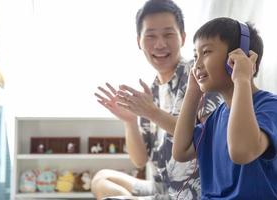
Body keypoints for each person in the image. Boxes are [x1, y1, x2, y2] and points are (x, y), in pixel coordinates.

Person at [91, 0, 222, 199]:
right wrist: (130, 122)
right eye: (151, 36)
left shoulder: (199, 75)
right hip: (162, 188)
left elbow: (205, 139)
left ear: (183, 37)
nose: (160, 44)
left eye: (168, 34)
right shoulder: (151, 90)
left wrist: (151, 112)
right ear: (139, 41)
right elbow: (140, 160)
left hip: (190, 192)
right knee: (101, 179)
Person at [173, 17, 277, 199]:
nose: (196, 65)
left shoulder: (270, 107)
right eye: (195, 55)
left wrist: (242, 80)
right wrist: (192, 92)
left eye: (206, 52)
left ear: (240, 56)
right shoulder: (217, 116)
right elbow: (180, 151)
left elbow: (242, 151)